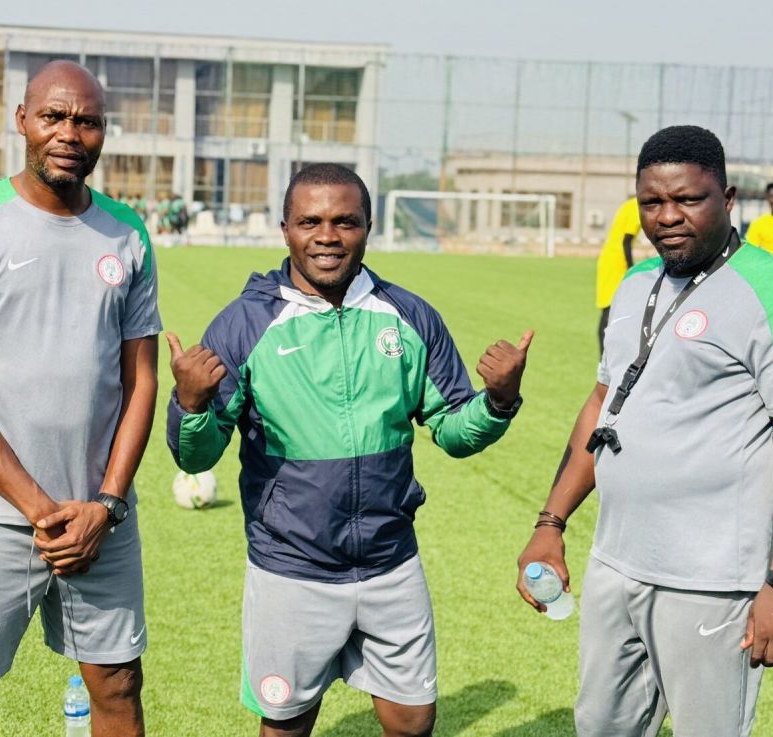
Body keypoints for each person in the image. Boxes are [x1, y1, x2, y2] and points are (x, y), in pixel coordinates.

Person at [166, 163, 531, 737]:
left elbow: (455, 432)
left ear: (368, 227)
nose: (328, 236)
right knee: (285, 725)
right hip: (293, 566)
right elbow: (196, 458)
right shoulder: (244, 325)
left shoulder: (409, 316)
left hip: (391, 561)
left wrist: (499, 400)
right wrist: (191, 406)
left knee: (412, 721)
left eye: (345, 221)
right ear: (285, 228)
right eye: (310, 221)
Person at [516, 126, 773, 737]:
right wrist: (551, 524)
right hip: (616, 564)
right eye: (652, 203)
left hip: (711, 581)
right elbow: (603, 404)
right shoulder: (635, 284)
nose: (668, 217)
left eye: (688, 200)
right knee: (601, 727)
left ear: (727, 199)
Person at [0, 61, 160, 737]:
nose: (70, 133)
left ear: (104, 133)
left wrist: (104, 505)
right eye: (54, 116)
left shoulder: (128, 233)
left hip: (100, 517)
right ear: (22, 120)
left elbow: (142, 381)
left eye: (87, 120)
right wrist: (41, 510)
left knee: (118, 686)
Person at [595, 196, 642, 351]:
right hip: (616, 262)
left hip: (610, 258)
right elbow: (626, 240)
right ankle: (604, 357)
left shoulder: (630, 204)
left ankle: (607, 354)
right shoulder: (636, 206)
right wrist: (631, 269)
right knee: (610, 309)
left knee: (612, 309)